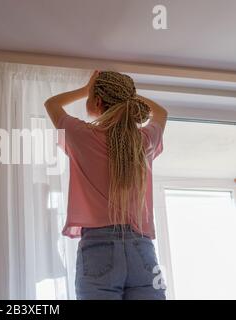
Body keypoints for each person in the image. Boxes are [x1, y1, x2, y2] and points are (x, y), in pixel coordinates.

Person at [44, 70, 168, 300]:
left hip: (98, 248)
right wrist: (130, 97)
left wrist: (85, 89)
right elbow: (161, 112)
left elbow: (51, 104)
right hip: (142, 250)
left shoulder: (81, 134)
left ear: (97, 101)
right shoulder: (145, 140)